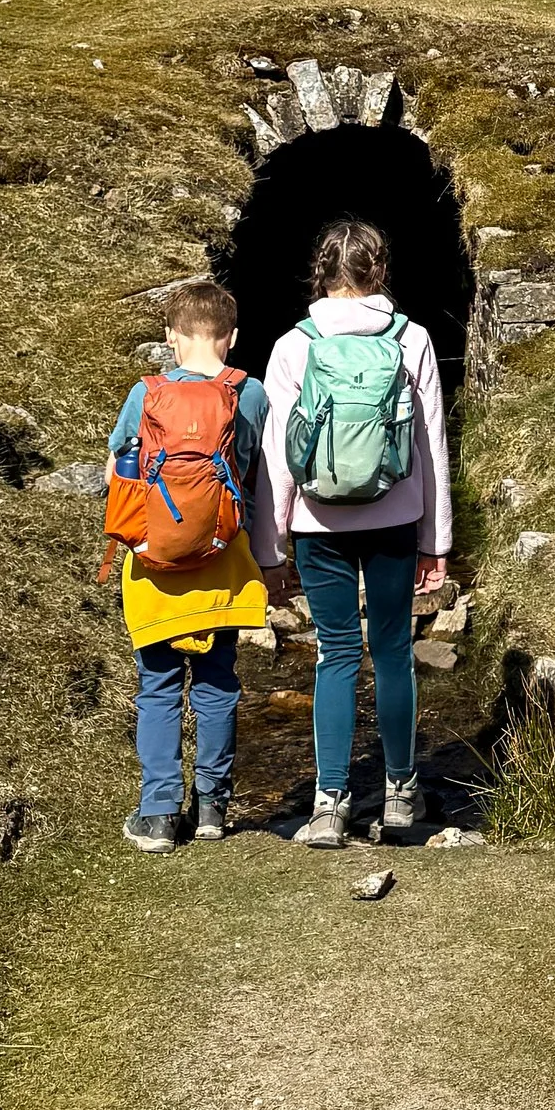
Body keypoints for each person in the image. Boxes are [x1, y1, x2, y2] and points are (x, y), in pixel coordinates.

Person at [255, 215, 451, 849]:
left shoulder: (293, 346)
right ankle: (399, 795)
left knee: (335, 653)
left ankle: (330, 803)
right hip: (395, 518)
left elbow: (279, 457)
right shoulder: (412, 338)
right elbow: (430, 446)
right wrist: (435, 540)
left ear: (319, 274)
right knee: (393, 651)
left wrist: (271, 547)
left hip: (317, 523)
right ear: (381, 272)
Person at [104, 278, 272, 852]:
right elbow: (255, 479)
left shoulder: (145, 393)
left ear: (171, 338)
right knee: (219, 684)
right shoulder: (249, 394)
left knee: (156, 687)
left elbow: (115, 479)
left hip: (154, 564)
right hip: (223, 560)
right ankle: (212, 810)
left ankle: (157, 814)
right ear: (232, 338)